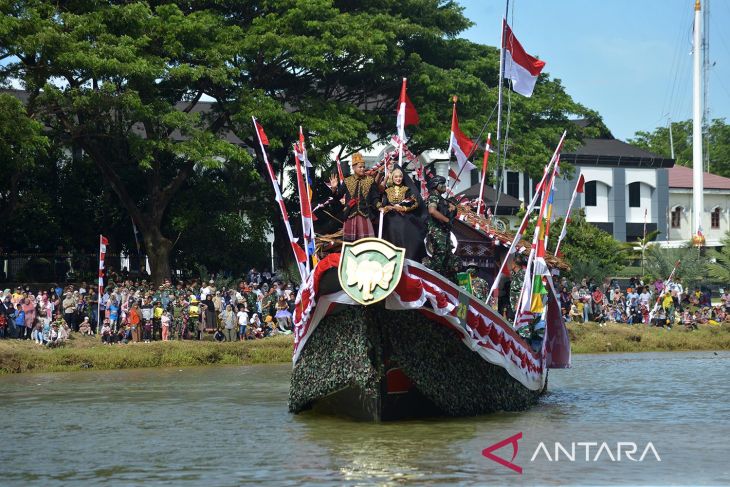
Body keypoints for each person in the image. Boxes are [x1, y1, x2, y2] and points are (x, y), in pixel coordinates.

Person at [328, 152, 383, 241]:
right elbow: (337, 197)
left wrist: (379, 206)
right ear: (353, 168)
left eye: (363, 167)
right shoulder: (347, 181)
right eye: (360, 167)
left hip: (365, 214)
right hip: (350, 215)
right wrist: (334, 189)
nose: (362, 169)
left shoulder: (370, 180)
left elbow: (374, 197)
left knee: (366, 242)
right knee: (350, 243)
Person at [378, 166, 427, 260]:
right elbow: (381, 201)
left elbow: (415, 202)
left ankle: (407, 255)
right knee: (389, 228)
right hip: (389, 217)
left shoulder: (406, 189)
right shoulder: (387, 190)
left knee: (407, 229)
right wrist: (386, 207)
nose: (398, 179)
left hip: (403, 216)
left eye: (400, 177)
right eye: (396, 177)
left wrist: (404, 208)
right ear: (392, 178)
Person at [421, 175, 460, 281]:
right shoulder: (433, 197)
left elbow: (449, 212)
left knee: (448, 256)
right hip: (436, 231)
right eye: (441, 183)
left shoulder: (443, 200)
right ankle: (431, 276)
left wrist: (452, 208)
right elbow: (432, 211)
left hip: (444, 231)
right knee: (440, 254)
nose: (444, 186)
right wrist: (446, 220)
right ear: (435, 185)